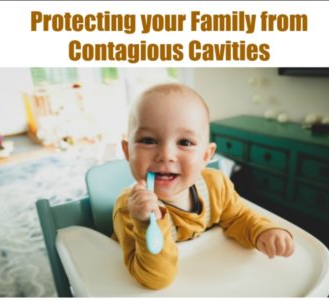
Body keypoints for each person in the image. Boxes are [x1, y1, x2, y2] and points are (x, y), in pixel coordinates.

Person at [112, 83, 295, 290]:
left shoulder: (215, 186)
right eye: (148, 140)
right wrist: (146, 223)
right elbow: (155, 279)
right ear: (127, 151)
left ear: (206, 156)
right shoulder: (130, 211)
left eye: (185, 142)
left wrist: (263, 231)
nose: (166, 155)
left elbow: (239, 217)